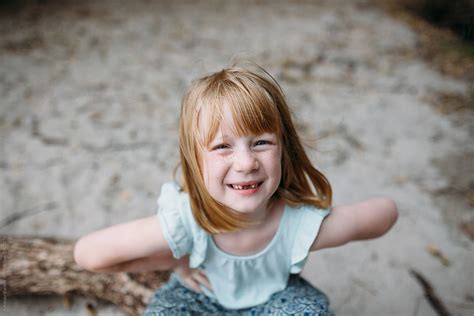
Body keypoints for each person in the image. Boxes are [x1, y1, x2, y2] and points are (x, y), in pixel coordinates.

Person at [74, 64, 398, 315]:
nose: (245, 163)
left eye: (260, 142)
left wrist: (328, 223)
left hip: (277, 300)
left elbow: (386, 213)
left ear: (284, 150)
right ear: (195, 161)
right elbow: (89, 254)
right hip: (200, 298)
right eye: (222, 147)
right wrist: (173, 260)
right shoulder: (188, 221)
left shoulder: (298, 224)